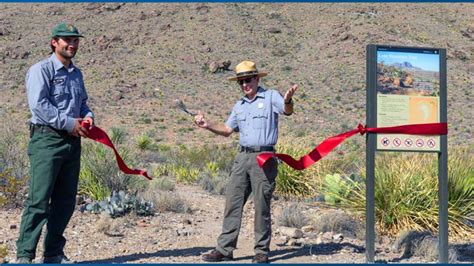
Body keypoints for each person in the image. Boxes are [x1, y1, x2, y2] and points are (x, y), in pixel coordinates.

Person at [195, 60, 297, 263]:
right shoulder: (239, 105)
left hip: (264, 158)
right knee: (232, 203)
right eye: (240, 82)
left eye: (248, 80)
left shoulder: (270, 97)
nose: (244, 85)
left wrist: (288, 100)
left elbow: (287, 111)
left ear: (257, 78)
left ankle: (261, 251)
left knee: (261, 206)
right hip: (242, 158)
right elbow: (226, 130)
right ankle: (224, 249)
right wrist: (207, 125)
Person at [15, 23, 94, 264]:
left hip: (72, 142)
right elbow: (39, 106)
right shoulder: (42, 70)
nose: (72, 44)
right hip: (47, 140)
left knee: (65, 200)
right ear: (54, 42)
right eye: (67, 40)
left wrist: (89, 116)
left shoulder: (76, 74)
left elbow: (82, 104)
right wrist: (70, 123)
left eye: (75, 40)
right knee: (39, 200)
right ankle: (24, 255)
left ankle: (53, 254)